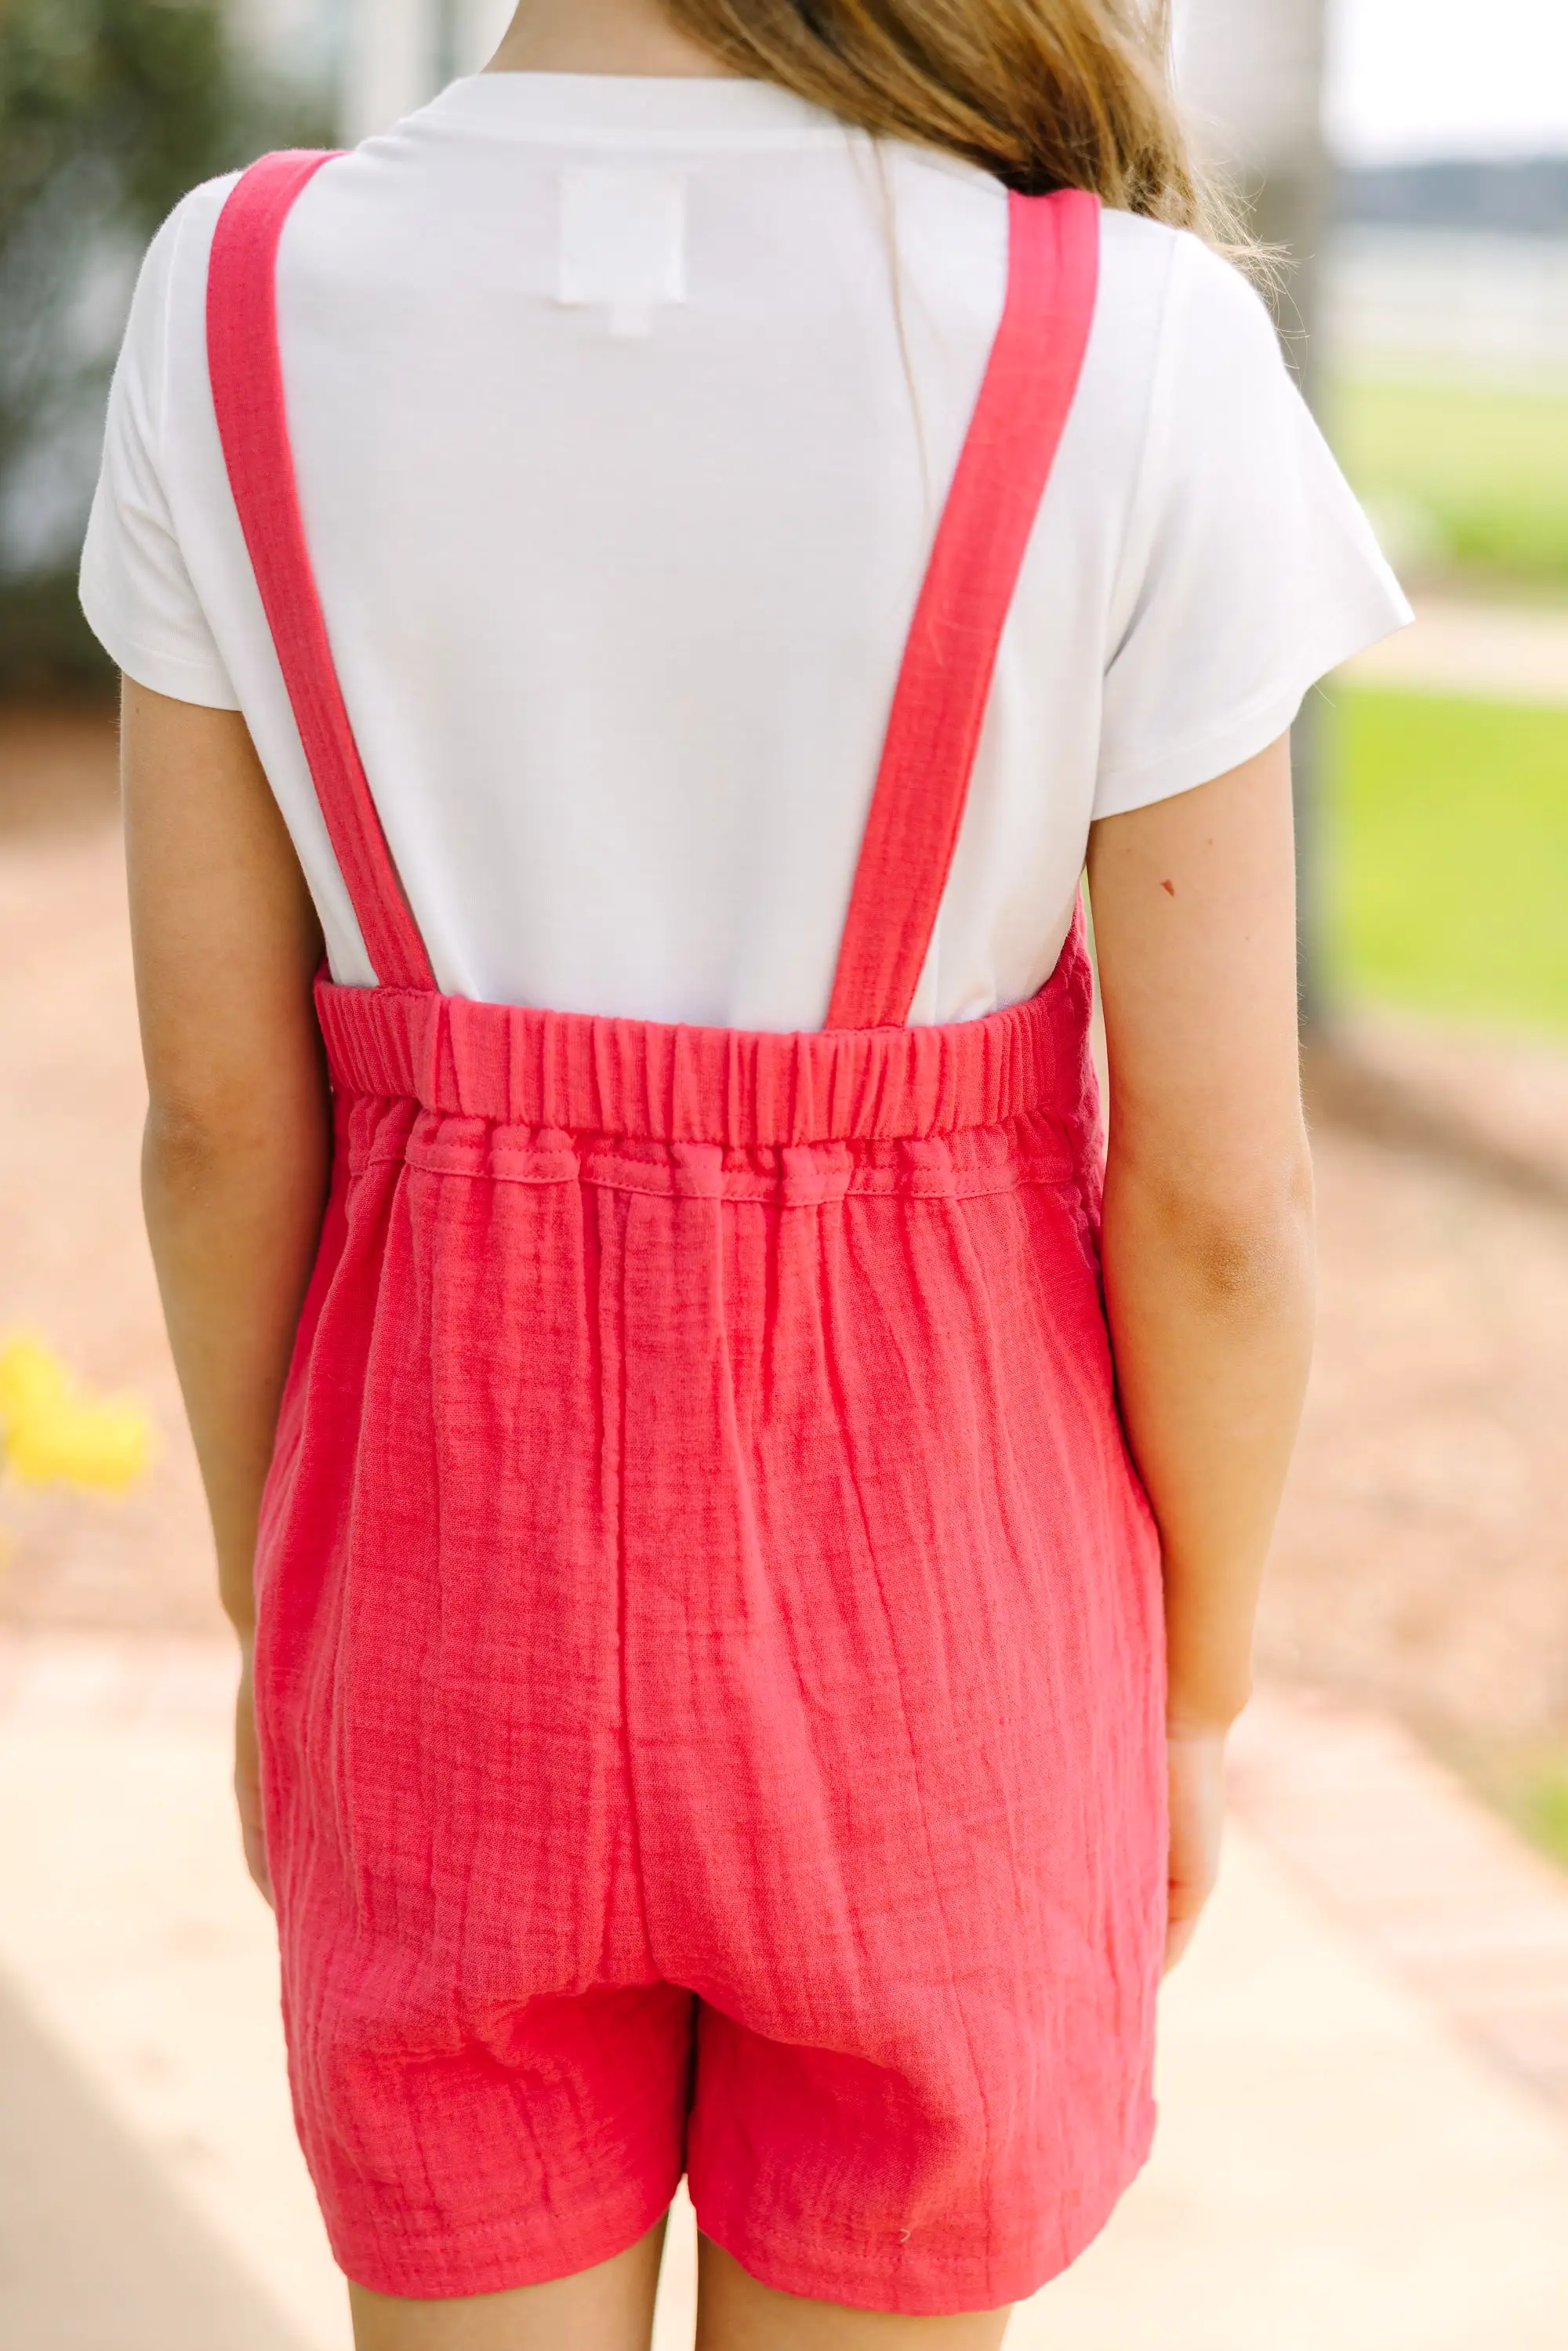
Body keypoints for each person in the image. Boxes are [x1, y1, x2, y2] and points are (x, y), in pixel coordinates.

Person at [82, 0, 1409, 2343]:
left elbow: (213, 1113)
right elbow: (1217, 1205)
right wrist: (1185, 1695)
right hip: (946, 1641)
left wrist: (268, 1597)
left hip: (437, 1581)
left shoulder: (237, 292)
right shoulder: (1130, 334)